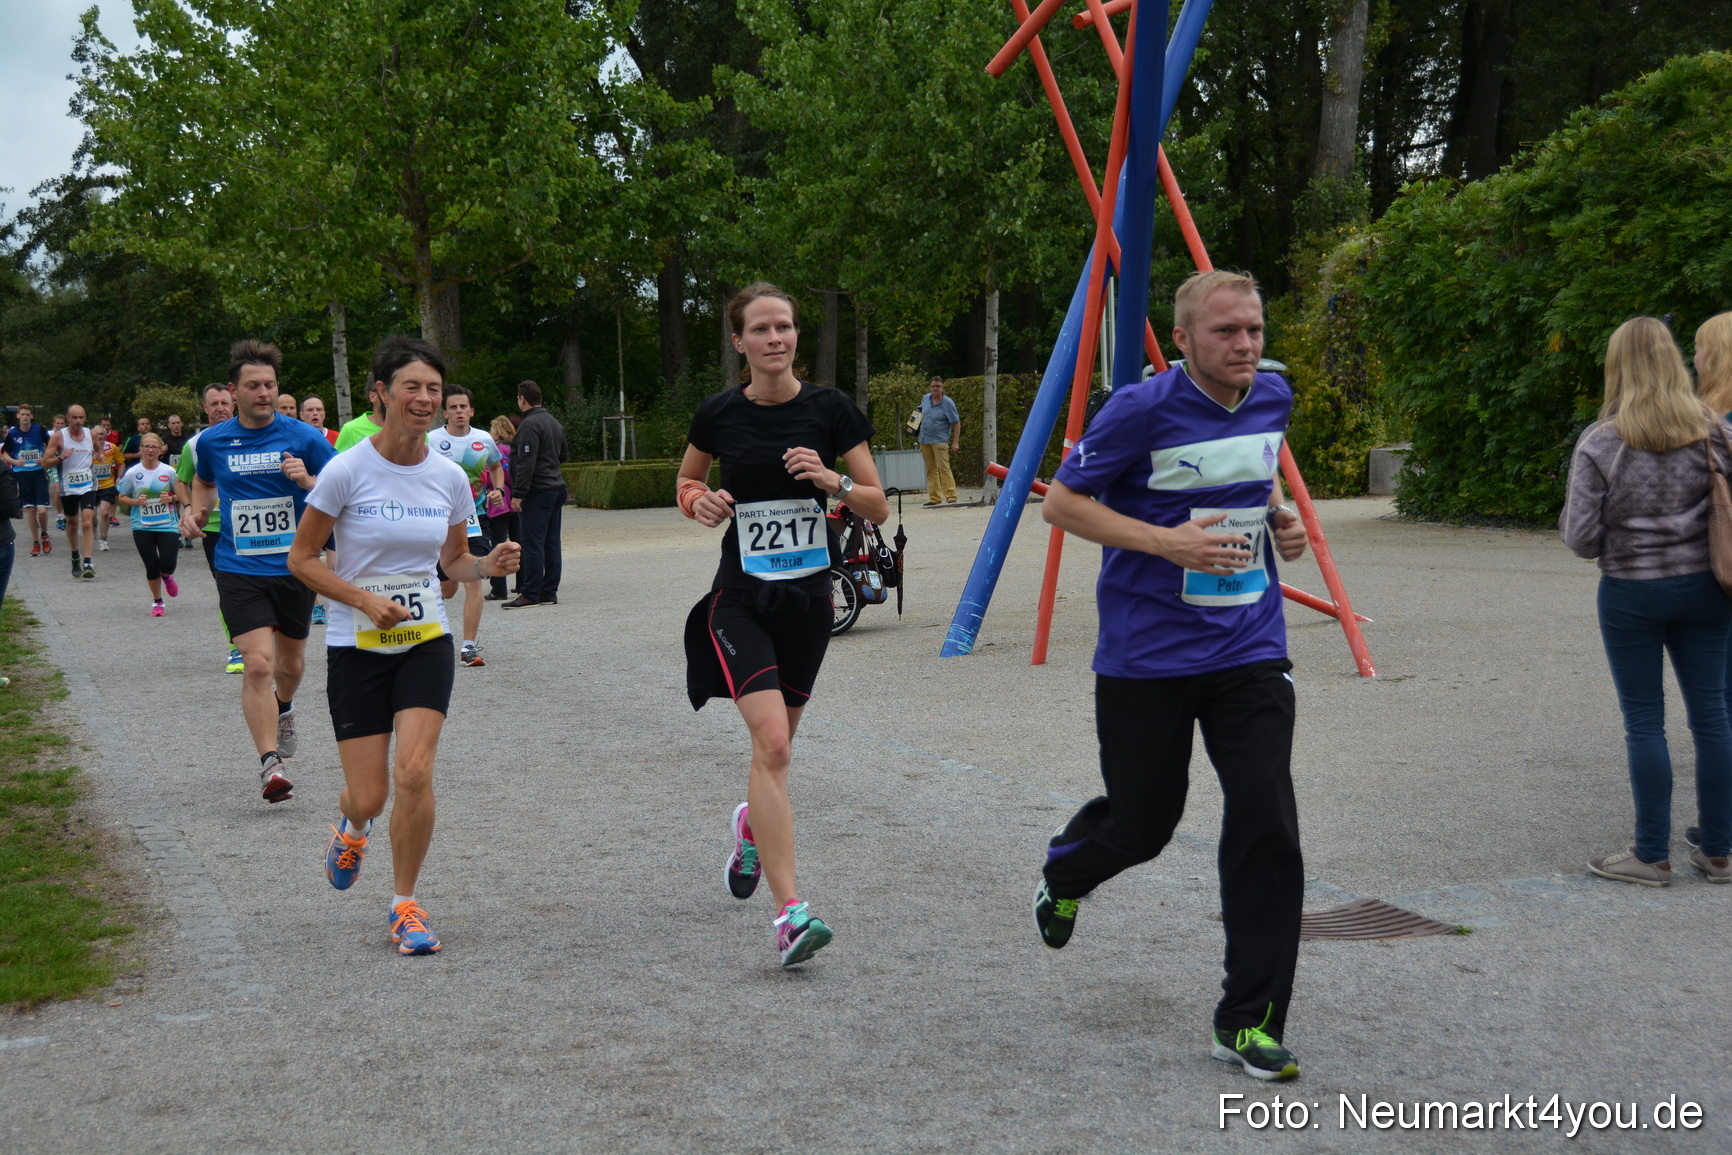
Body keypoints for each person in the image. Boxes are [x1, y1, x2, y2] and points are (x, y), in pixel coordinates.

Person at [1030, 271, 1310, 1082]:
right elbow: (1063, 505)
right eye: (1227, 332)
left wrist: (1281, 522)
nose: (1246, 345)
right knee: (1146, 825)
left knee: (1268, 820)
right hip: (1147, 656)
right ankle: (1067, 869)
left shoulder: (1273, 397)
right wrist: (1167, 543)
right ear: (1183, 339)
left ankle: (1249, 1018)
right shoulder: (1139, 410)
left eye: (1255, 329)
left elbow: (1256, 482)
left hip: (1249, 645)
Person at [676, 281, 886, 968]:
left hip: (807, 605)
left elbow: (878, 504)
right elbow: (686, 483)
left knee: (778, 748)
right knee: (773, 744)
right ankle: (791, 912)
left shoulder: (831, 409)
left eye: (786, 327)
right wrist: (699, 502)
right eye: (761, 329)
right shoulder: (718, 413)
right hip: (740, 600)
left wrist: (831, 480)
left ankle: (749, 828)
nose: (776, 338)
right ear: (738, 341)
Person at [289, 334, 520, 956]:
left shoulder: (449, 476)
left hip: (424, 640)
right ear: (381, 395)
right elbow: (302, 559)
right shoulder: (346, 469)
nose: (424, 398)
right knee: (370, 793)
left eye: (433, 389)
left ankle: (405, 904)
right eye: (411, 387)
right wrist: (363, 600)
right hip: (356, 643)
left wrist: (487, 566)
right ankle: (352, 824)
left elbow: (453, 563)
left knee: (414, 771)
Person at [1561, 316, 1732, 887]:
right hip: (1707, 590)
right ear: (1673, 361)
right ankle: (1720, 850)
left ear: (1618, 368)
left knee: (1645, 722)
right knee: (1712, 718)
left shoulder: (1601, 441)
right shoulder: (1712, 429)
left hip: (1631, 593)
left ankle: (1651, 855)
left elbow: (1580, 538)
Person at [182, 341, 336, 803]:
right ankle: (271, 764)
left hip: (294, 566)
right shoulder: (212, 441)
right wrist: (195, 510)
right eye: (253, 385)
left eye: (270, 384)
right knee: (258, 664)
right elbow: (205, 481)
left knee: (290, 665)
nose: (264, 392)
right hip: (237, 566)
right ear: (234, 391)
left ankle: (284, 708)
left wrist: (307, 480)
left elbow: (337, 489)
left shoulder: (305, 438)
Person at [427, 386, 504, 666]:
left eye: (464, 407)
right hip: (439, 520)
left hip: (475, 518)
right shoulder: (431, 440)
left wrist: (499, 489)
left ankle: (468, 648)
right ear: (444, 412)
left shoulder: (483, 439)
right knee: (446, 589)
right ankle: (428, 636)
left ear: (471, 411)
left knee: (473, 583)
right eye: (453, 407)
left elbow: (496, 466)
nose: (459, 411)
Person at [177, 383, 243, 672]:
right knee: (227, 588)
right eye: (213, 403)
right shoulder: (196, 444)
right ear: (204, 408)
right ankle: (236, 648)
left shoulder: (254, 436)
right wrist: (190, 508)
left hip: (251, 525)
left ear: (235, 404)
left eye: (224, 403)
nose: (220, 408)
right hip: (214, 527)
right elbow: (182, 480)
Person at [502, 381, 567, 609]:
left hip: (537, 492)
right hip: (556, 487)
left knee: (532, 544)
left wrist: (518, 493)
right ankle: (548, 591)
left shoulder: (529, 425)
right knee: (551, 543)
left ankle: (530, 594)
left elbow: (526, 461)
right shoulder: (554, 422)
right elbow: (564, 456)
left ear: (522, 399)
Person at [116, 432, 182, 616]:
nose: (150, 450)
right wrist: (135, 502)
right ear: (141, 449)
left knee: (168, 563)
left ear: (161, 450)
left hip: (167, 524)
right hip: (142, 525)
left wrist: (170, 497)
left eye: (154, 446)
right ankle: (158, 602)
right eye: (146, 446)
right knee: (151, 564)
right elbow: (121, 497)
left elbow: (181, 495)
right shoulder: (133, 472)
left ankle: (167, 575)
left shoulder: (169, 471)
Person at [43, 404, 100, 578]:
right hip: (69, 487)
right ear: (68, 418)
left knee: (88, 523)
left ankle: (88, 563)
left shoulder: (91, 434)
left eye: (81, 417)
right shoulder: (59, 437)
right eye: (74, 418)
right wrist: (61, 457)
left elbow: (99, 448)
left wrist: (100, 455)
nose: (78, 421)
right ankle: (75, 555)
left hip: (88, 485)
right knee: (73, 524)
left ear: (85, 418)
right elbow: (45, 462)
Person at [1, 403, 52, 556]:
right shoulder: (13, 434)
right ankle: (36, 542)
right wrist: (15, 462)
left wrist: (46, 458)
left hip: (38, 472)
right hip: (22, 474)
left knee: (42, 510)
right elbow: (4, 454)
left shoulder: (39, 429)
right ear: (18, 416)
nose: (25, 417)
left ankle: (44, 534)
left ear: (31, 416)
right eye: (22, 414)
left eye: (27, 414)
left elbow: (51, 445)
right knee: (31, 509)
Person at [483, 415, 519, 601]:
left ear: (497, 431)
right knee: (518, 542)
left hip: (500, 501)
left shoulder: (495, 451)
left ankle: (499, 589)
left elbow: (491, 477)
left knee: (498, 543)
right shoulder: (515, 450)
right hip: (517, 499)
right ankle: (522, 583)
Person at [916, 376, 962, 506]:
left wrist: (955, 442)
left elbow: (956, 423)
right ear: (930, 387)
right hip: (924, 439)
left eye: (938, 386)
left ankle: (951, 495)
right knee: (931, 469)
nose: (935, 388)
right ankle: (935, 498)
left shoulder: (948, 403)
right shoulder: (926, 398)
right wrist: (912, 424)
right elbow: (919, 410)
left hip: (939, 440)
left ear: (942, 388)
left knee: (944, 468)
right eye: (933, 386)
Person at [92, 432, 124, 548]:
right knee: (92, 515)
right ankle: (93, 527)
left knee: (105, 513)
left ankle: (103, 540)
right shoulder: (86, 447)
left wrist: (119, 477)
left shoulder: (111, 447)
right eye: (97, 434)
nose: (99, 436)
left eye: (102, 434)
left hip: (107, 485)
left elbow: (121, 463)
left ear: (105, 436)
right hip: (91, 486)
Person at [335, 385, 385, 451]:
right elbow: (338, 460)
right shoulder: (351, 429)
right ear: (372, 396)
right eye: (385, 391)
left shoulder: (402, 427)